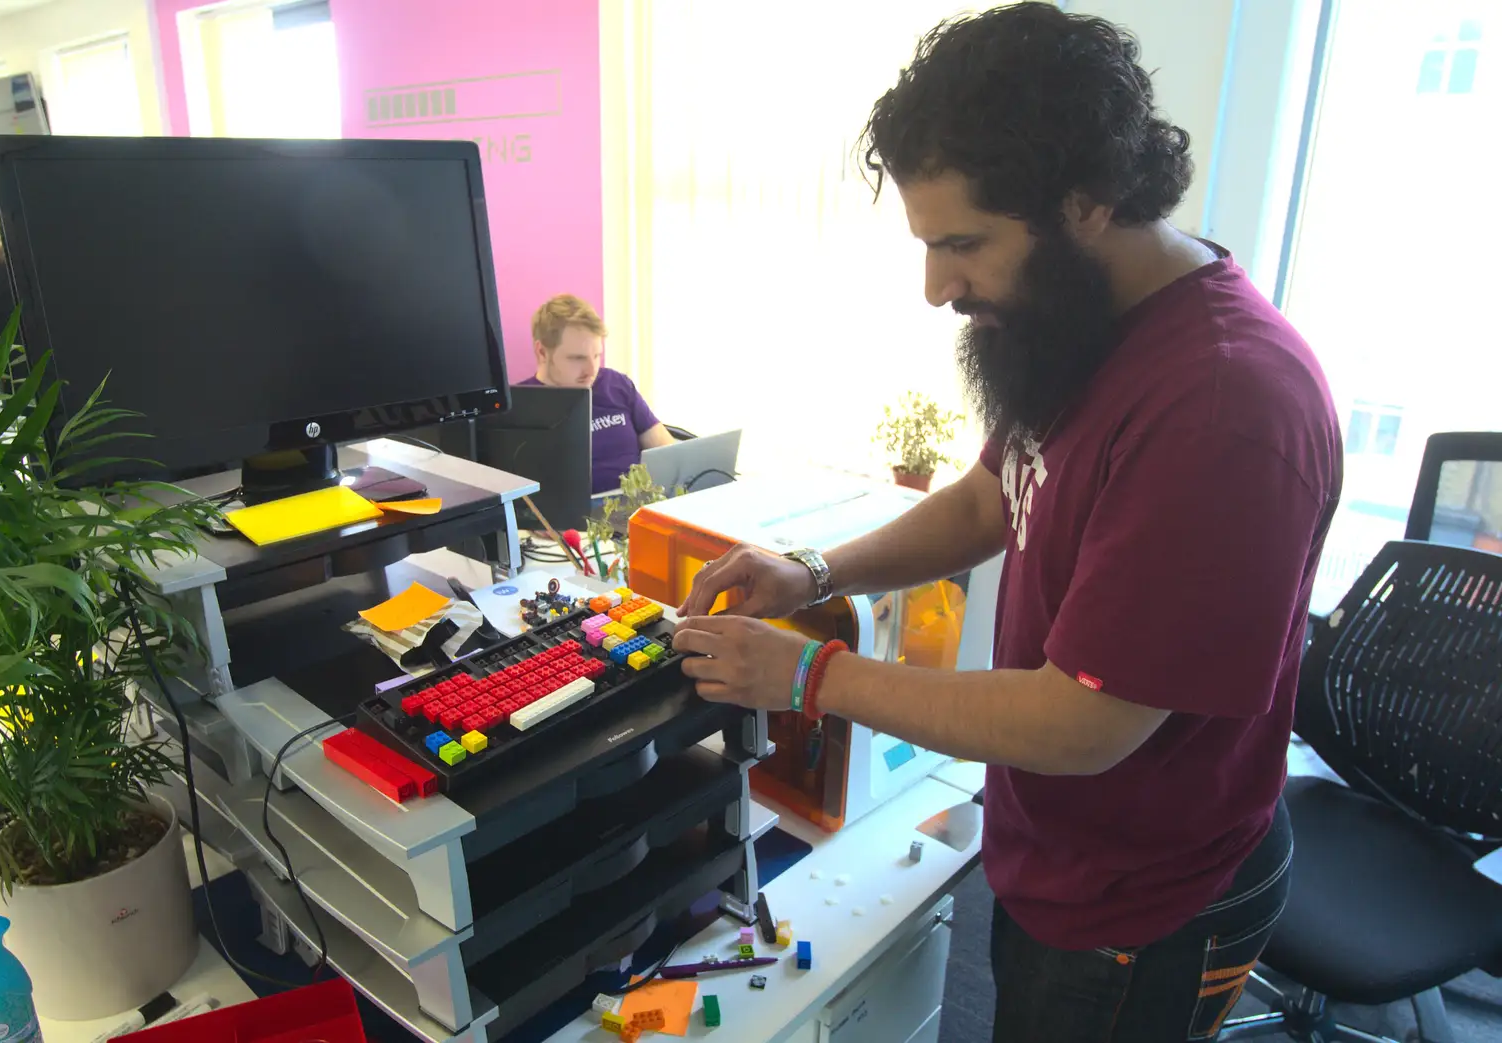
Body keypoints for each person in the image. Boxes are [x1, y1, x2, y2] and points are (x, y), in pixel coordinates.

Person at [671, 6, 1342, 1041]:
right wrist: (813, 572)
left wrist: (805, 675)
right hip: (1056, 849)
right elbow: (995, 494)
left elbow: (1080, 723)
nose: (937, 287)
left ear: (1086, 200)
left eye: (962, 244)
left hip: (1146, 900)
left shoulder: (1220, 406)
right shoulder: (1081, 324)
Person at [518, 293, 674, 492]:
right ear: (542, 352)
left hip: (640, 508)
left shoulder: (617, 385)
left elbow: (669, 453)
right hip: (574, 520)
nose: (592, 370)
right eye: (577, 358)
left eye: (597, 355)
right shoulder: (520, 407)